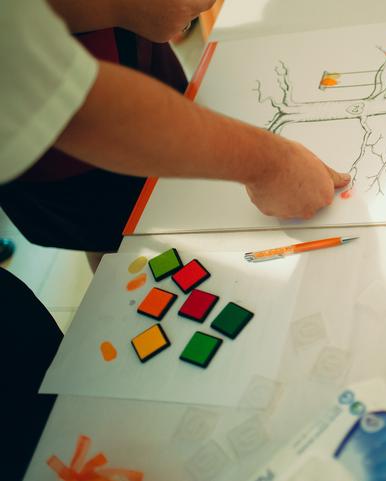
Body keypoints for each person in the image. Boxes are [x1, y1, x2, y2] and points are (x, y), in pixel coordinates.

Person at [1, 1, 349, 478]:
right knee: (114, 243)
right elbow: (81, 109)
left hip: (131, 63)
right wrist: (271, 163)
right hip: (64, 165)